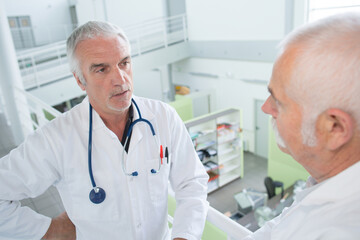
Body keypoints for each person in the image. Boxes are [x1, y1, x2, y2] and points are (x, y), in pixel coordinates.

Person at [0, 21, 209, 240]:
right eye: (101, 69)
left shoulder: (163, 117)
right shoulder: (55, 139)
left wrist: (184, 236)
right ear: (80, 80)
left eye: (124, 63)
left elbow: (191, 181)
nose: (120, 79)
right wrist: (49, 230)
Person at [243, 12, 360, 239]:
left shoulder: (339, 231)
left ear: (334, 128)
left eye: (278, 99)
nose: (266, 108)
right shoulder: (324, 184)